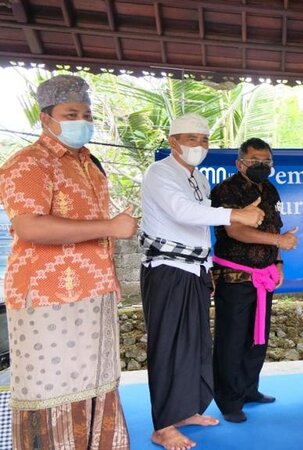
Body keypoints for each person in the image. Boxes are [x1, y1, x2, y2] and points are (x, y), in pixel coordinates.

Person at [0, 74, 136, 449]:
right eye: (71, 113)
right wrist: (111, 225)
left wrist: (110, 272)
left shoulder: (89, 163)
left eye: (86, 113)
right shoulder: (29, 162)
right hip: (47, 296)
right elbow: (29, 226)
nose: (82, 121)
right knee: (52, 389)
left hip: (95, 291)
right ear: (47, 119)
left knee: (97, 382)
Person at [139, 113, 265, 449]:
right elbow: (182, 212)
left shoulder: (199, 179)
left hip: (194, 270)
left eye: (204, 139)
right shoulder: (160, 173)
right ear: (173, 142)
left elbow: (199, 229)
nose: (199, 145)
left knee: (194, 346)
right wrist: (236, 214)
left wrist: (207, 267)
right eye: (191, 138)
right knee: (169, 346)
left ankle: (186, 410)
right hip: (167, 270)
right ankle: (163, 425)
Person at [210, 137, 299, 422]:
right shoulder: (226, 190)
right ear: (240, 162)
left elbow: (277, 228)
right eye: (254, 161)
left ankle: (249, 389)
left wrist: (278, 261)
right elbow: (236, 230)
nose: (261, 165)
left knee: (256, 338)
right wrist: (278, 241)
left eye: (266, 161)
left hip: (264, 277)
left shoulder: (270, 190)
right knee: (231, 340)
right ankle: (229, 401)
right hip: (234, 279)